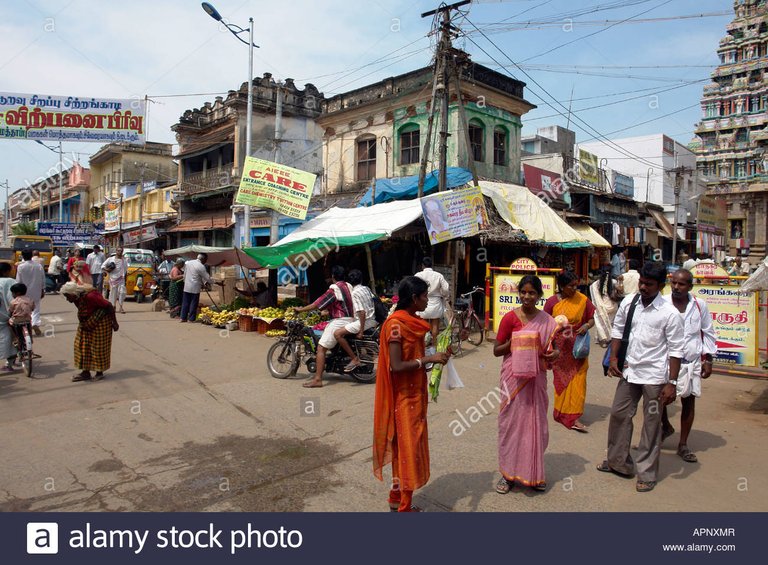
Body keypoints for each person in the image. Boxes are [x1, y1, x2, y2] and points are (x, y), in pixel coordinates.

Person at [598, 262, 685, 493]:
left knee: (651, 424)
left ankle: (646, 473)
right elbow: (617, 331)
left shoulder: (670, 314)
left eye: (649, 284)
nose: (643, 287)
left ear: (660, 286)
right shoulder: (629, 302)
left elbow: (676, 350)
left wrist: (672, 383)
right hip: (629, 370)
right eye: (642, 282)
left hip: (655, 377)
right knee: (619, 414)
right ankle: (618, 462)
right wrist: (614, 359)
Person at [372, 276, 451, 512]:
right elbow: (396, 366)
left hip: (415, 394)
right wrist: (429, 358)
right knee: (407, 449)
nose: (428, 300)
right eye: (425, 296)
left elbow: (414, 356)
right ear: (414, 298)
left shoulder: (413, 322)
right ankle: (404, 507)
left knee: (404, 449)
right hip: (402, 398)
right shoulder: (396, 326)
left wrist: (436, 358)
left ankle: (396, 496)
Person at [494, 275, 560, 494]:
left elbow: (554, 349)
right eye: (523, 292)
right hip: (513, 378)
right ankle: (507, 474)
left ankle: (534, 474)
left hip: (536, 380)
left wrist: (554, 353)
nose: (526, 297)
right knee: (510, 426)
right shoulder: (509, 319)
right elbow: (496, 350)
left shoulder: (548, 321)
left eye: (532, 293)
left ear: (540, 295)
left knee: (536, 425)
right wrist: (519, 341)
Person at [660, 269, 717, 464]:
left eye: (681, 284)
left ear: (690, 287)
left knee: (688, 402)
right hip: (665, 362)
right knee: (657, 400)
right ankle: (664, 427)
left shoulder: (699, 306)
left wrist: (708, 359)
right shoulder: (662, 303)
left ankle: (683, 444)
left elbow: (708, 332)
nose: (676, 287)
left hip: (690, 361)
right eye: (674, 283)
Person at [544, 271, 596, 432]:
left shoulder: (583, 300)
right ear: (561, 286)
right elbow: (545, 324)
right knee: (562, 380)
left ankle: (574, 417)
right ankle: (561, 412)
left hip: (578, 348)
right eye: (571, 286)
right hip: (560, 350)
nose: (575, 289)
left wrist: (586, 326)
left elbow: (591, 319)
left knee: (578, 381)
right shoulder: (552, 302)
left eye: (576, 285)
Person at [293, 265, 354, 388]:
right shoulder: (348, 286)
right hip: (350, 319)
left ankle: (318, 379)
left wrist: (301, 310)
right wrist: (327, 311)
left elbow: (317, 304)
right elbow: (340, 304)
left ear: (333, 277)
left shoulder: (334, 289)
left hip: (340, 320)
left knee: (321, 348)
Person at [61, 282, 119, 382]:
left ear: (73, 294)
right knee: (82, 345)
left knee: (97, 347)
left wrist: (115, 322)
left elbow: (109, 306)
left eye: (67, 296)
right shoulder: (76, 299)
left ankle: (99, 372)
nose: (67, 299)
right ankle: (85, 372)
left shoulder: (91, 296)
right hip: (87, 322)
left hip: (101, 321)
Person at [334, 269, 378, 373]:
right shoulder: (366, 288)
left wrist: (361, 331)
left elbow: (361, 312)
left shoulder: (354, 293)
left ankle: (354, 359)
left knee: (337, 334)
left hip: (365, 321)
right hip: (373, 320)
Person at [414, 257, 450, 345]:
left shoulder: (418, 275)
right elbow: (446, 289)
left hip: (422, 302)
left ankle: (423, 346)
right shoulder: (438, 275)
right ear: (431, 265)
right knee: (435, 325)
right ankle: (434, 345)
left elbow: (413, 288)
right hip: (436, 303)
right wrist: (443, 295)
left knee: (423, 326)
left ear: (422, 265)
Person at [179, 253, 220, 323]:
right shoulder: (201, 266)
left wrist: (185, 281)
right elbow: (207, 278)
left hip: (187, 286)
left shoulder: (189, 263)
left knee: (185, 302)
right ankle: (191, 319)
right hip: (195, 287)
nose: (206, 261)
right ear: (203, 259)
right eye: (206, 260)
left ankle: (183, 318)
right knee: (193, 302)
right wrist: (215, 282)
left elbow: (185, 274)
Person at [589, 265, 622, 347]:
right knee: (609, 323)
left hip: (600, 307)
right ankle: (608, 338)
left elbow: (593, 296)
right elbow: (621, 291)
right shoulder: (614, 282)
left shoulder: (595, 284)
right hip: (612, 306)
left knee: (601, 322)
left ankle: (603, 340)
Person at [15, 249, 45, 336]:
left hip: (24, 291)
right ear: (31, 255)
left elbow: (18, 280)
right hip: (36, 290)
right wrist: (43, 289)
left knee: (24, 308)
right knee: (36, 308)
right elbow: (43, 279)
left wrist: (17, 291)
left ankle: (26, 326)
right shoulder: (38, 266)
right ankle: (35, 323)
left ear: (22, 256)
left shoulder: (21, 266)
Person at [0, 263, 19, 371]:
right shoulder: (11, 282)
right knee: (14, 339)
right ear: (6, 271)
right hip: (9, 316)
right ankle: (9, 363)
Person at [8, 283, 34, 350]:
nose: (12, 295)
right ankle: (30, 338)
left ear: (17, 293)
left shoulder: (13, 302)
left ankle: (15, 338)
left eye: (13, 293)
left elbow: (10, 311)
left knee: (9, 324)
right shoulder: (30, 300)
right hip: (27, 319)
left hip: (17, 321)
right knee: (29, 326)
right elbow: (33, 308)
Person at [102, 248, 127, 314]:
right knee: (113, 293)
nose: (120, 252)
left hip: (121, 278)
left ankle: (121, 307)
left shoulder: (124, 260)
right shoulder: (110, 259)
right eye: (118, 251)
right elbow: (103, 266)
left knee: (122, 292)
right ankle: (113, 306)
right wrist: (106, 270)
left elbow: (125, 269)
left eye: (121, 251)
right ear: (116, 251)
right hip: (113, 279)